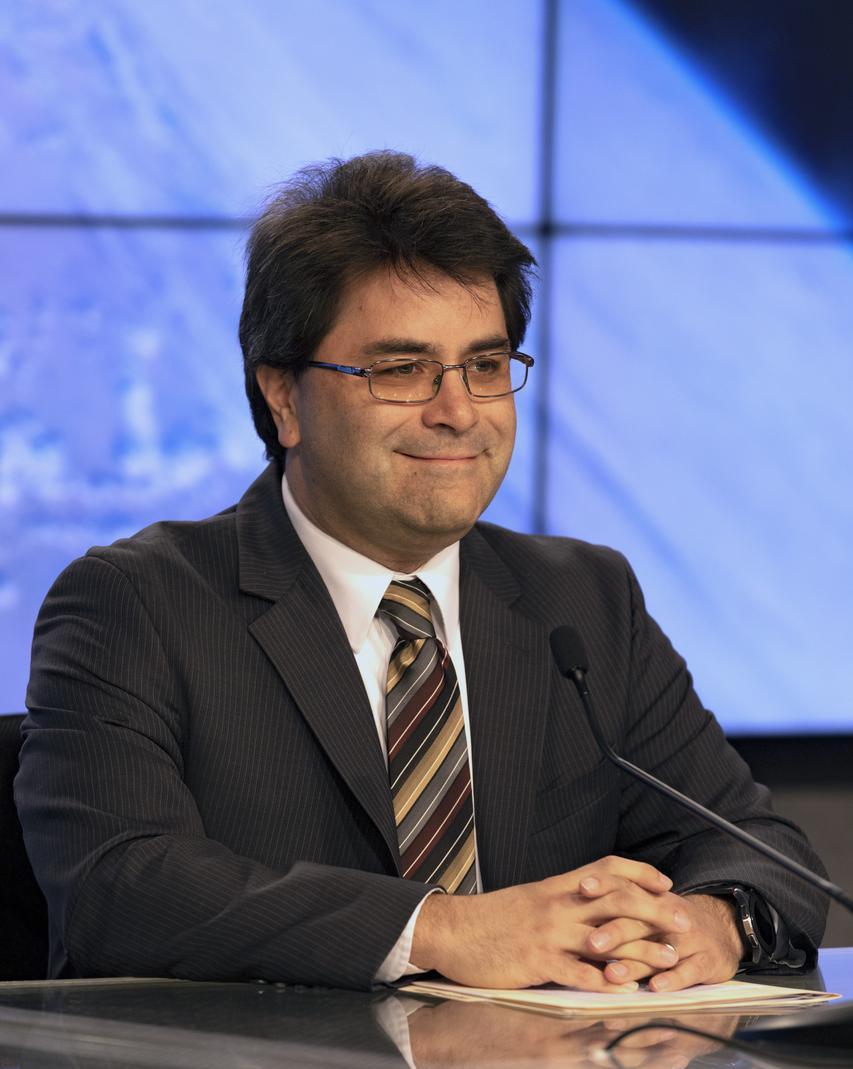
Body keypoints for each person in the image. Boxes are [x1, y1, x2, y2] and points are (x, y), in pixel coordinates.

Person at [17, 152, 827, 992]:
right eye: (400, 370)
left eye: (485, 366)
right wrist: (441, 930)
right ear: (283, 397)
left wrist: (711, 922)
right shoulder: (136, 602)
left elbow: (757, 847)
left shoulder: (583, 599)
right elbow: (117, 887)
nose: (458, 411)